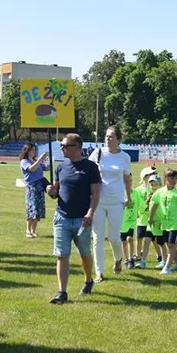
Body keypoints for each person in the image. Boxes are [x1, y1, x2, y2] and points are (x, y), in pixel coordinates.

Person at [46, 133, 101, 303]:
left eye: (65, 146)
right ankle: (62, 292)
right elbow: (56, 191)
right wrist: (51, 191)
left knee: (84, 253)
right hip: (61, 217)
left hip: (81, 219)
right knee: (62, 255)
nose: (62, 148)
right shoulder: (60, 167)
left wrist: (90, 213)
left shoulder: (90, 167)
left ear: (77, 147)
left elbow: (96, 193)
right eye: (61, 145)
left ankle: (88, 280)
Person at [89, 126, 133, 279]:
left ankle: (118, 258)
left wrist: (128, 196)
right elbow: (89, 172)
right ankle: (99, 272)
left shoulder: (124, 157)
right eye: (106, 136)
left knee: (114, 237)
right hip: (98, 201)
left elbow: (127, 179)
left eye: (111, 137)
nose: (108, 139)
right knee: (98, 237)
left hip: (116, 201)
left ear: (119, 140)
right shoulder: (98, 153)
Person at [149, 169, 177, 274]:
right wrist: (151, 218)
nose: (173, 180)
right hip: (165, 223)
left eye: (175, 178)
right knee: (170, 245)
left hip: (175, 223)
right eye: (171, 178)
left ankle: (167, 268)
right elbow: (154, 205)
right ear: (166, 178)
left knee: (172, 244)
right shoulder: (159, 192)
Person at [19, 143, 49, 238]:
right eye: (32, 150)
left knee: (38, 210)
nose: (34, 151)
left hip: (40, 187)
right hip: (31, 187)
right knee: (32, 209)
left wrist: (47, 160)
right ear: (27, 151)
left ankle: (33, 230)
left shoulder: (36, 161)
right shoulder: (24, 161)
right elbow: (32, 169)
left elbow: (46, 168)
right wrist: (40, 159)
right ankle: (28, 230)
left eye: (34, 150)